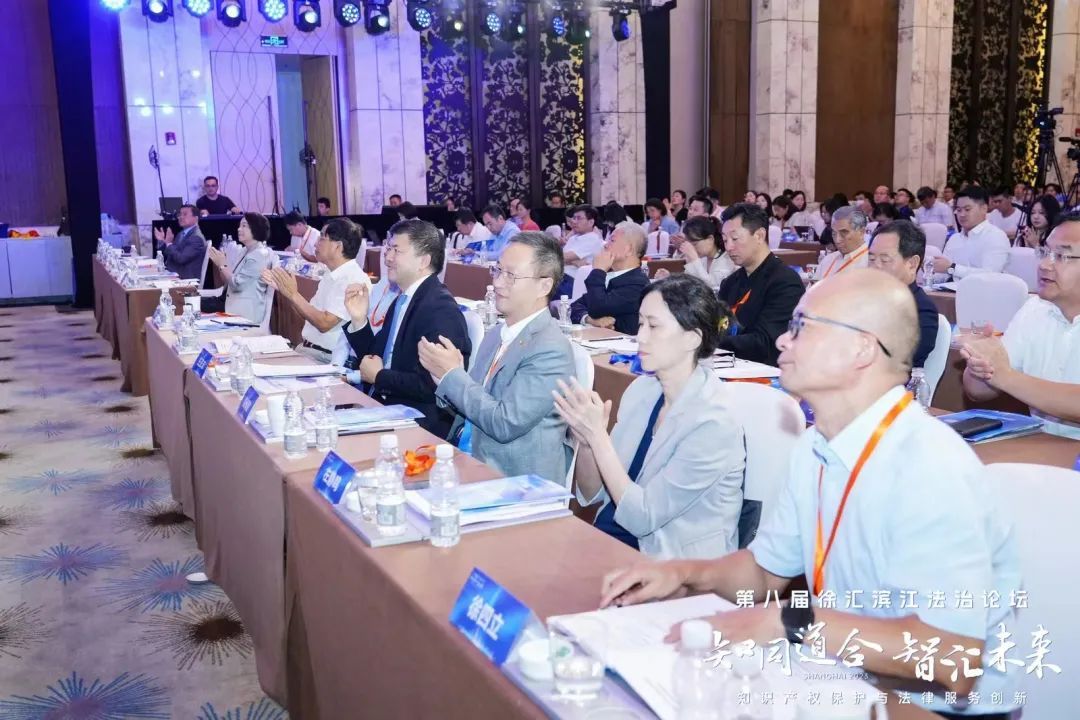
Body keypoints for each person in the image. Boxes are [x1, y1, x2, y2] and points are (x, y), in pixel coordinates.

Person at [600, 269, 1021, 720]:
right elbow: (764, 574)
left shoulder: (929, 464)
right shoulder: (816, 446)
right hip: (844, 676)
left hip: (933, 709)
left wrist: (785, 621)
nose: (782, 341)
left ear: (862, 348)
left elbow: (952, 658)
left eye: (802, 327)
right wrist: (683, 572)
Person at [556, 274, 745, 558]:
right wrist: (586, 442)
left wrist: (599, 437)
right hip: (612, 540)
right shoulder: (643, 390)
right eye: (641, 323)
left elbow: (642, 518)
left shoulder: (714, 421)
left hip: (672, 563)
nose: (640, 337)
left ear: (692, 338)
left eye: (653, 326)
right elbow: (592, 492)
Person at [420, 232, 575, 483]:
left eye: (511, 275)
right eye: (498, 270)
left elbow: (504, 423)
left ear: (544, 286)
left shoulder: (551, 349)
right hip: (468, 460)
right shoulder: (496, 333)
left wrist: (453, 376)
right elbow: (473, 404)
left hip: (515, 482)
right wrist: (444, 379)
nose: (498, 283)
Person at [342, 219, 471, 438]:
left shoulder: (440, 309)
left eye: (396, 250)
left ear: (423, 261)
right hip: (388, 407)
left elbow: (432, 385)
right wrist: (359, 320)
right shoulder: (404, 299)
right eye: (388, 249)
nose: (387, 257)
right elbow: (375, 358)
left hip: (420, 423)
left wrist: (380, 377)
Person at [961, 213, 1080, 438]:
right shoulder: (1035, 309)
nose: (1044, 265)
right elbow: (978, 392)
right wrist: (981, 364)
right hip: (1044, 447)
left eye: (1061, 256)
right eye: (1045, 252)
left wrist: (1005, 376)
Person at [262, 218, 370, 365]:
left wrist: (294, 295)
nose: (315, 244)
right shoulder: (331, 273)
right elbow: (309, 315)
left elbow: (324, 323)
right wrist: (286, 291)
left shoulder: (353, 279)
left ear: (338, 246)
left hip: (325, 358)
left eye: (322, 239)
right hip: (309, 351)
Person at [716, 203, 805, 366]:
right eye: (725, 240)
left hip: (765, 371)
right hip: (729, 365)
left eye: (735, 239)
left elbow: (765, 342)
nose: (728, 247)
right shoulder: (730, 282)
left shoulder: (785, 282)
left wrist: (709, 343)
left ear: (759, 235)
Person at [867, 220, 940, 368]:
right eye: (872, 259)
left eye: (885, 260)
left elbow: (898, 358)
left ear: (912, 264)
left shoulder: (922, 309)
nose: (875, 266)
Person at [570, 222, 650, 335]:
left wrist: (599, 271)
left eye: (612, 240)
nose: (605, 245)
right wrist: (590, 320)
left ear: (629, 250)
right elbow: (574, 307)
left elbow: (597, 308)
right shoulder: (612, 276)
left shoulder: (638, 284)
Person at [204, 212, 274, 323]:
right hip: (227, 300)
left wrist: (222, 265)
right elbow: (228, 281)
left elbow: (237, 285)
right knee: (189, 300)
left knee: (187, 302)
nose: (239, 229)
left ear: (256, 228)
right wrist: (220, 265)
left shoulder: (258, 255)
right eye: (240, 226)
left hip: (243, 310)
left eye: (244, 226)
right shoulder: (245, 250)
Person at [931, 186, 1010, 280]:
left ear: (984, 209)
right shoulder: (954, 239)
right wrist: (930, 273)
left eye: (967, 209)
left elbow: (990, 275)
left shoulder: (996, 236)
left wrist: (952, 268)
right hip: (951, 289)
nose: (962, 214)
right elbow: (943, 272)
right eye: (959, 210)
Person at [659, 216, 736, 291]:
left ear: (710, 239)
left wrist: (694, 259)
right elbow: (689, 282)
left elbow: (711, 287)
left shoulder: (726, 258)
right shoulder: (703, 258)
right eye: (689, 244)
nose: (692, 248)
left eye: (695, 244)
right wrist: (670, 278)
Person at [557, 204, 604, 297]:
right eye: (574, 218)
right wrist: (574, 262)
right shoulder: (573, 238)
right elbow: (560, 258)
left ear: (591, 222)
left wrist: (567, 260)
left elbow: (560, 257)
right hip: (561, 277)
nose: (574, 221)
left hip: (572, 282)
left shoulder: (592, 239)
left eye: (579, 218)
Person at [813, 206, 870, 282]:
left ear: (861, 232)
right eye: (834, 233)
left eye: (843, 233)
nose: (837, 240)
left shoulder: (871, 262)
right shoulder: (828, 260)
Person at [153, 204, 207, 281]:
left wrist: (169, 244)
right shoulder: (182, 233)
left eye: (185, 214)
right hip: (173, 274)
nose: (181, 217)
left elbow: (181, 258)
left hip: (184, 279)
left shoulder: (196, 238)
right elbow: (171, 253)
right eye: (179, 214)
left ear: (196, 218)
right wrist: (162, 241)